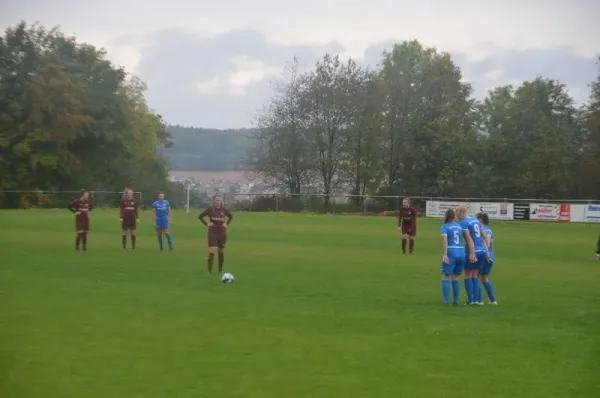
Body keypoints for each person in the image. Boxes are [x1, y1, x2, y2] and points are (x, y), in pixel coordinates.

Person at [455, 205, 489, 305]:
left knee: (467, 276)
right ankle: (479, 300)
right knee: (475, 276)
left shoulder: (464, 223)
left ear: (460, 212)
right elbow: (485, 237)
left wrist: (472, 253)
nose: (456, 216)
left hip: (472, 251)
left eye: (457, 213)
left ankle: (471, 300)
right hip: (482, 251)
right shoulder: (476, 221)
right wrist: (487, 251)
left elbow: (469, 238)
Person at [199, 195, 233, 273]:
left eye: (220, 200)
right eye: (217, 200)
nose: (218, 202)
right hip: (213, 232)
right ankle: (209, 271)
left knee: (221, 252)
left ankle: (220, 269)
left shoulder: (224, 210)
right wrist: (206, 223)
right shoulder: (210, 210)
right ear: (214, 201)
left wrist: (227, 224)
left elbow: (230, 216)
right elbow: (200, 216)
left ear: (222, 201)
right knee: (212, 251)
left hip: (222, 233)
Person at [440, 209, 466, 305]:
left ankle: (446, 301)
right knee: (456, 277)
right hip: (461, 251)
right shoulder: (459, 226)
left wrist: (445, 254)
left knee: (446, 276)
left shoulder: (445, 226)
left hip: (451, 251)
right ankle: (456, 301)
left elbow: (445, 240)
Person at [477, 213, 497, 304]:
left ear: (480, 219)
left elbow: (481, 242)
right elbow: (492, 245)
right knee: (485, 279)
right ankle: (493, 300)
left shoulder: (480, 229)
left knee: (476, 277)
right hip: (491, 257)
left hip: (484, 254)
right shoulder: (490, 230)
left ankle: (479, 300)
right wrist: (491, 255)